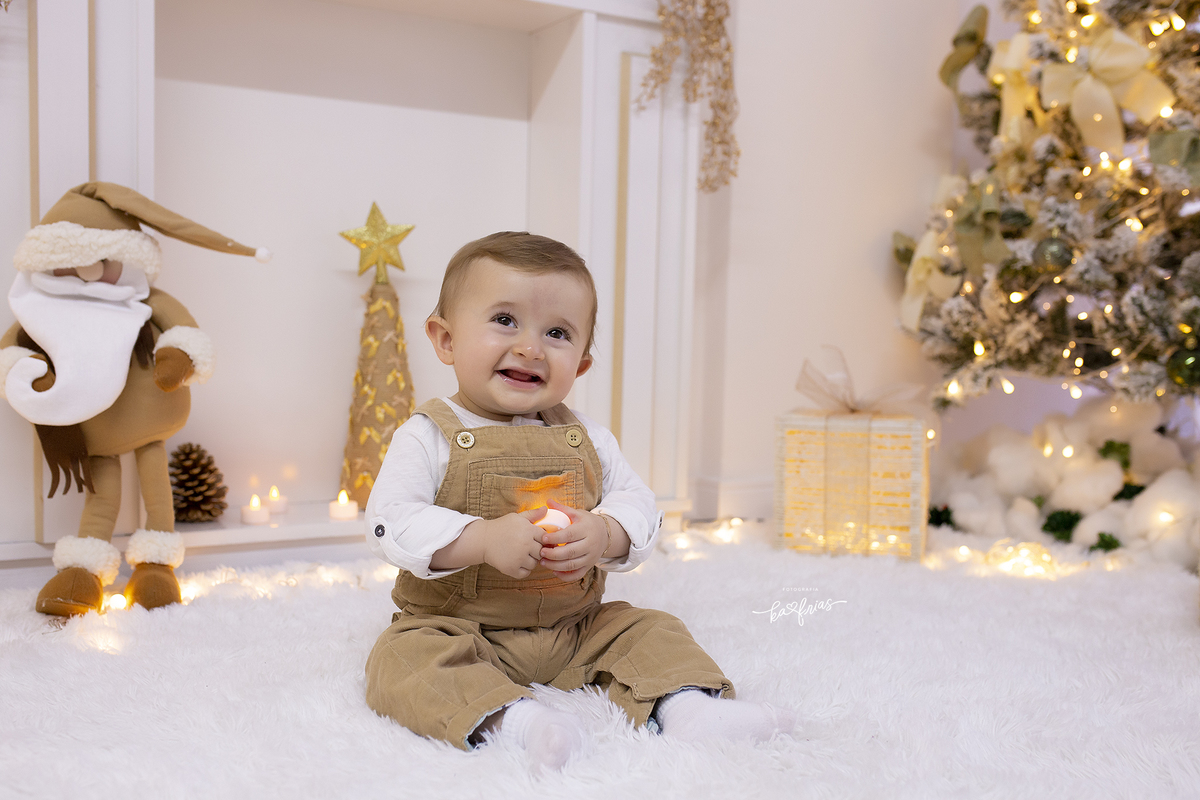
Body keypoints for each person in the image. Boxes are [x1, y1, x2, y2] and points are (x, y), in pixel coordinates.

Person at [363, 232, 793, 770]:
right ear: (445, 339)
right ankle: (516, 721)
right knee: (400, 658)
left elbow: (637, 500)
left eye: (557, 333)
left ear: (581, 364)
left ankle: (688, 709)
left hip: (573, 626)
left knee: (649, 627)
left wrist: (606, 532)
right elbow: (391, 520)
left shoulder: (588, 437)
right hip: (462, 627)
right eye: (504, 320)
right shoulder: (429, 435)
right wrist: (482, 538)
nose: (529, 347)